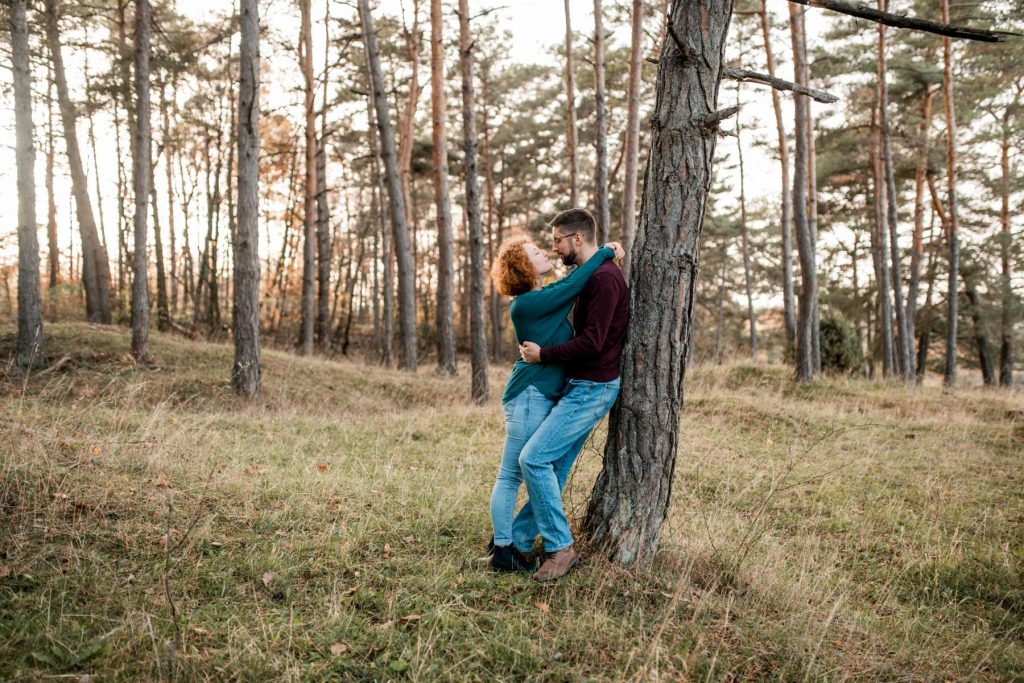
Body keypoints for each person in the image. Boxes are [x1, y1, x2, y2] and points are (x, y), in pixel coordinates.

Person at [486, 231, 624, 572]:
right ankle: (503, 548)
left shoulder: (540, 297)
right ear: (524, 266)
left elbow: (570, 284)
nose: (546, 252)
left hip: (548, 393)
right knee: (512, 473)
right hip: (530, 395)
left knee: (544, 469)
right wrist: (605, 252)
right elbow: (574, 283)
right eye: (536, 252)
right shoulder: (529, 303)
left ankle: (515, 540)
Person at [517, 207, 630, 582]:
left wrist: (543, 355)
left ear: (577, 239)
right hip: (580, 385)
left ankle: (560, 548)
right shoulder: (591, 275)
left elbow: (593, 342)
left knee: (532, 460)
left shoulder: (604, 279)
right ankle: (518, 541)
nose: (554, 249)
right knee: (553, 467)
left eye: (557, 241)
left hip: (593, 388)